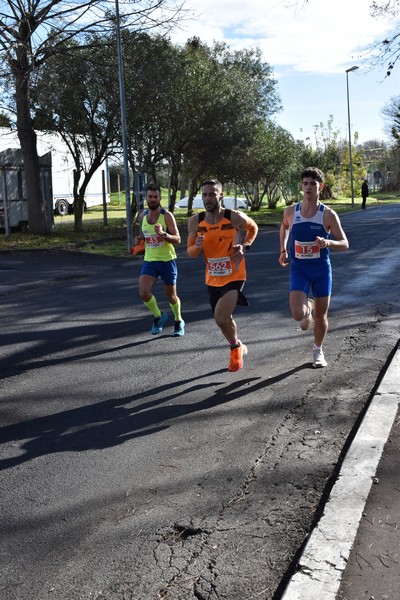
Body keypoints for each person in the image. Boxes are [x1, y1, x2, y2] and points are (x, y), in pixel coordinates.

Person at [278, 167, 349, 368]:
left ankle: (318, 351)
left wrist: (328, 243)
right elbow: (284, 227)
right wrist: (283, 250)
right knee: (298, 315)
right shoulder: (291, 211)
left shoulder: (328, 215)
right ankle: (306, 308)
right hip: (299, 268)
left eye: (313, 183)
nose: (308, 187)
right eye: (305, 183)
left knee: (321, 317)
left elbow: (344, 243)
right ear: (301, 186)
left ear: (321, 187)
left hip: (321, 270)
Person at [187, 179, 258, 372]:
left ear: (220, 195)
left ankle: (235, 350)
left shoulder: (234, 217)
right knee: (222, 319)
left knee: (221, 316)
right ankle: (237, 345)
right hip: (212, 277)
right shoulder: (195, 221)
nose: (208, 198)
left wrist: (245, 246)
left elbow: (253, 228)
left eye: (212, 194)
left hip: (235, 273)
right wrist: (197, 246)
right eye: (205, 195)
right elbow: (190, 253)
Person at [134, 184, 185, 336]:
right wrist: (140, 239)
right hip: (150, 260)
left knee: (171, 296)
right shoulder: (142, 215)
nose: (153, 199)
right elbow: (146, 234)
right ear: (146, 198)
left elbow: (178, 239)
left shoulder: (166, 216)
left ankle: (178, 320)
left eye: (155, 197)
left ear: (160, 198)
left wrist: (163, 234)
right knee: (144, 293)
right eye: (150, 196)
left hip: (167, 261)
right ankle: (159, 316)